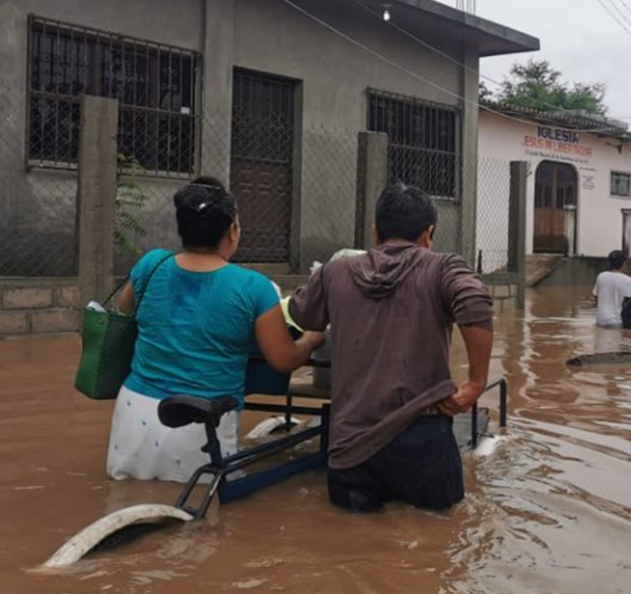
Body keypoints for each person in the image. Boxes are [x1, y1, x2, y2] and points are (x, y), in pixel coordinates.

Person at [288, 183, 494, 513]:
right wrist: (475, 384)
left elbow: (301, 313)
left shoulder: (334, 272)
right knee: (437, 547)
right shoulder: (442, 268)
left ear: (375, 232)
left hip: (350, 448)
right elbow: (476, 303)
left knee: (350, 550)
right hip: (423, 442)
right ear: (429, 233)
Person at [106, 178, 324, 483]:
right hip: (201, 420)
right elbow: (283, 360)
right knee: (206, 512)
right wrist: (312, 338)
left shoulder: (151, 264)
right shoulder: (254, 287)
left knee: (129, 494)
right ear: (232, 231)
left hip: (133, 414)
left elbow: (126, 308)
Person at [593, 249, 631, 328]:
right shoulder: (628, 280)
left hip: (600, 321)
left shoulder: (601, 277)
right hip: (617, 322)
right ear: (623, 264)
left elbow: (596, 297)